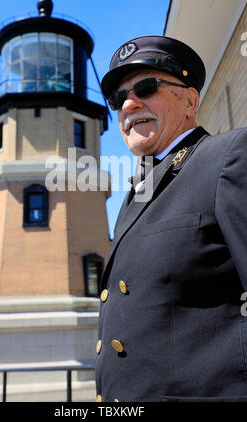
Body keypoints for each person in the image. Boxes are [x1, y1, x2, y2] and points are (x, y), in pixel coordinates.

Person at [95, 35, 247, 402]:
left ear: (190, 100)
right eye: (118, 99)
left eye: (146, 87)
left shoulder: (228, 156)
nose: (129, 104)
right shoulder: (136, 194)